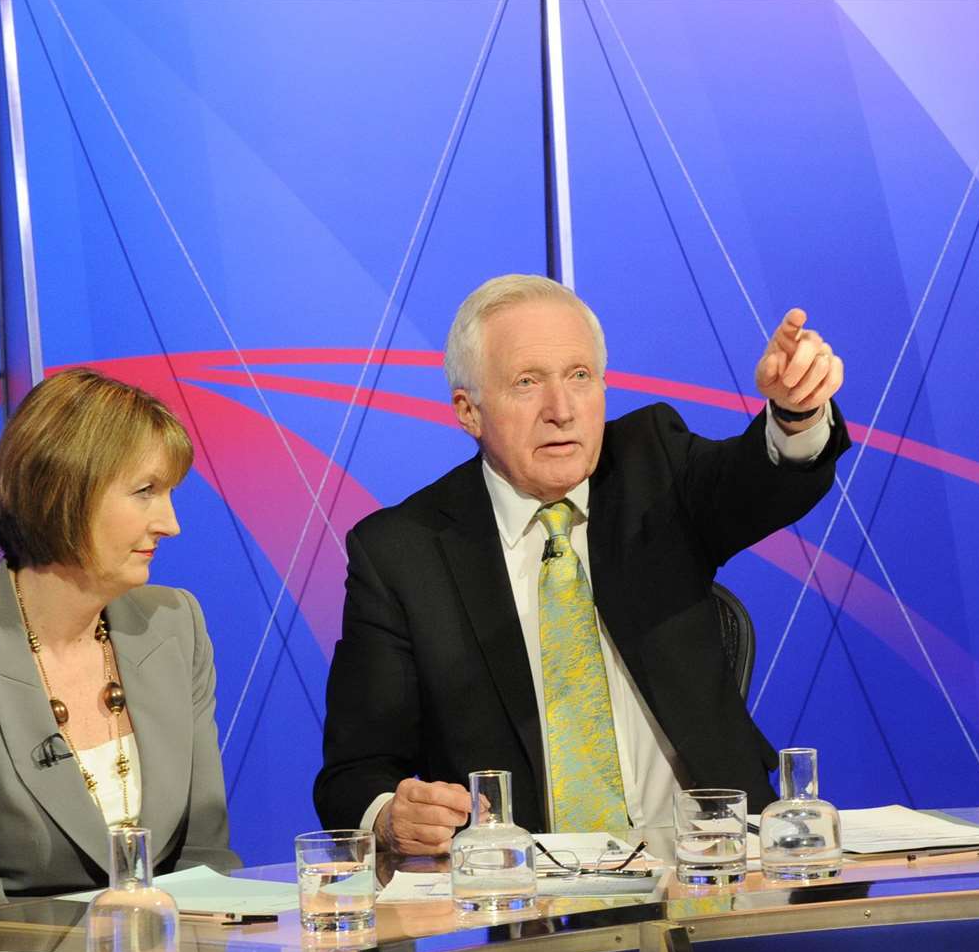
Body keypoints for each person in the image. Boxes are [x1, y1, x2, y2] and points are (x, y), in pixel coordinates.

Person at [314, 274, 850, 852]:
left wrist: (795, 415)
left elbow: (758, 482)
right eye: (526, 383)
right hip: (524, 899)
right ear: (469, 411)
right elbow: (355, 773)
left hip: (710, 865)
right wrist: (392, 818)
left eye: (580, 377)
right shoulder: (401, 553)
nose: (562, 410)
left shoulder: (655, 465)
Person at [0, 369, 240, 907]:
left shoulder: (174, 622)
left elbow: (205, 859)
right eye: (146, 492)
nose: (170, 523)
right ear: (63, 491)